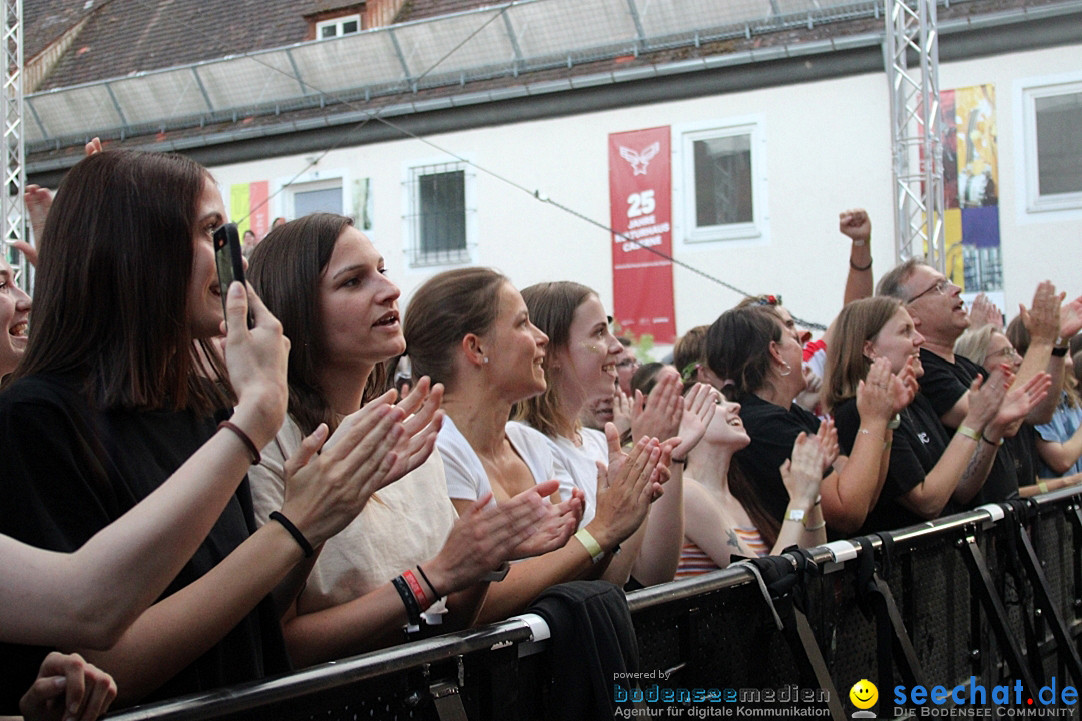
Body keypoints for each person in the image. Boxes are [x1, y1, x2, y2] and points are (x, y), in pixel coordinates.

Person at [0, 150, 421, 710]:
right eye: (210, 234)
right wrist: (296, 522)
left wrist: (311, 526)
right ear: (137, 250)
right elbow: (100, 647)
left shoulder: (193, 410)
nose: (234, 262)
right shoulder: (39, 419)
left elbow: (248, 619)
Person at [247, 215, 580, 666]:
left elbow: (449, 619)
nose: (389, 290)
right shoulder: (269, 442)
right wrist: (432, 578)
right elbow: (276, 646)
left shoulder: (407, 431)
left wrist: (484, 559)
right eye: (352, 282)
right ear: (296, 307)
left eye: (382, 270)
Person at [404, 269, 669, 614]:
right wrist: (602, 529)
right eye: (522, 324)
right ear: (475, 347)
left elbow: (573, 584)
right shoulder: (435, 447)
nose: (542, 337)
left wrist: (627, 508)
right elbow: (473, 608)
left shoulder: (529, 442)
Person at [515, 281, 707, 587]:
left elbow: (653, 576)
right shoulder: (528, 444)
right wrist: (642, 461)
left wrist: (668, 457)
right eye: (598, 333)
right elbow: (600, 587)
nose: (617, 347)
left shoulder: (597, 443)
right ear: (551, 353)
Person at [821, 298, 1036, 533]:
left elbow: (959, 488)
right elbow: (928, 501)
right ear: (869, 349)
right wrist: (974, 421)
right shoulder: (858, 412)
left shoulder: (916, 400)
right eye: (905, 331)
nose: (919, 340)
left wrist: (992, 429)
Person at [708, 304, 904, 535]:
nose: (802, 345)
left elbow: (865, 496)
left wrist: (886, 420)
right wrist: (874, 420)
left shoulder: (791, 413)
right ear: (775, 353)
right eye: (793, 338)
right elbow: (847, 512)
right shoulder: (764, 426)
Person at [876, 261, 1062, 502]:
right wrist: (1042, 342)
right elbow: (1005, 420)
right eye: (939, 287)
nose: (957, 289)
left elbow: (1036, 412)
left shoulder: (966, 366)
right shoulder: (925, 370)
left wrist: (1058, 346)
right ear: (912, 314)